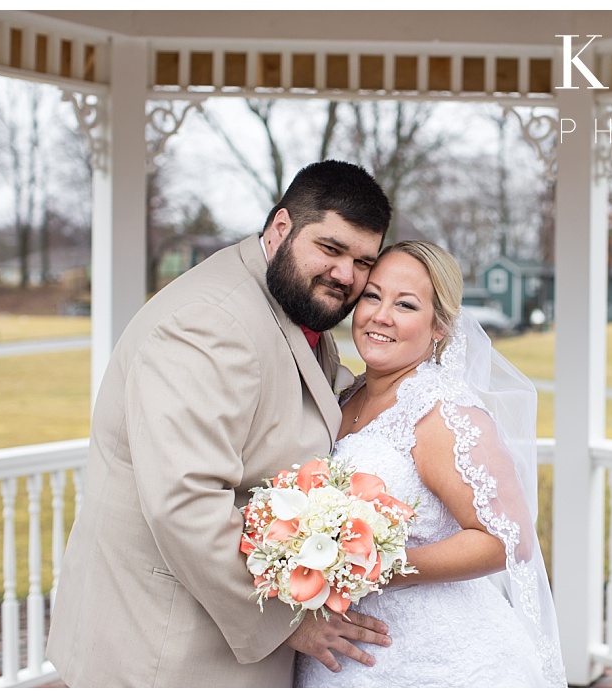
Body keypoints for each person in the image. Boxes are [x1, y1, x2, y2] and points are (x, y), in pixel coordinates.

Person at [46, 161, 395, 686]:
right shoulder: (210, 322)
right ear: (281, 229)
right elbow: (186, 501)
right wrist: (288, 623)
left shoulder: (288, 302)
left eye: (363, 261)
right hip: (165, 648)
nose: (346, 275)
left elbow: (314, 399)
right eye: (330, 249)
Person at [294, 241, 566, 687]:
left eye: (405, 304)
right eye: (372, 296)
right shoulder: (343, 396)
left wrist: (377, 568)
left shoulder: (442, 412)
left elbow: (505, 541)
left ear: (438, 326)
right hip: (347, 657)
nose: (381, 315)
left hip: (437, 663)